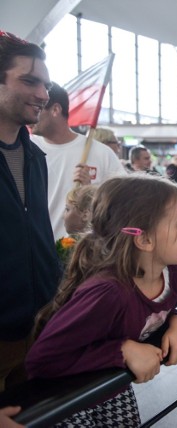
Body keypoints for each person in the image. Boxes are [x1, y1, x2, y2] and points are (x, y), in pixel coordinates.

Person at [26, 175, 177, 426]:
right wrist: (121, 350)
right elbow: (41, 360)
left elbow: (148, 314)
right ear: (144, 239)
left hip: (111, 385)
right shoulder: (108, 293)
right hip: (67, 395)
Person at [0, 30, 60, 393]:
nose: (43, 94)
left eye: (46, 84)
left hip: (37, 333)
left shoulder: (36, 157)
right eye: (30, 81)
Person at [30, 83, 125, 239]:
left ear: (55, 110)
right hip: (38, 250)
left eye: (38, 109)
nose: (32, 114)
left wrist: (90, 192)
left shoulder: (100, 153)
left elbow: (122, 202)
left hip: (83, 251)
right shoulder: (27, 150)